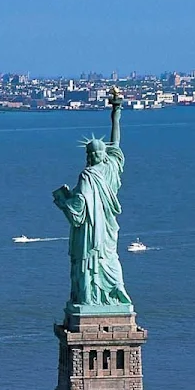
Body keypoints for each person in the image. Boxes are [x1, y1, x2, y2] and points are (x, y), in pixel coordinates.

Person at [52, 87, 132, 308]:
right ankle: (107, 294)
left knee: (92, 261)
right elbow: (116, 144)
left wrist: (62, 201)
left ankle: (92, 297)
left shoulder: (90, 174)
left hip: (92, 231)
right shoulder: (110, 167)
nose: (94, 156)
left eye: (93, 153)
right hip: (103, 228)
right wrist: (116, 111)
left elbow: (78, 211)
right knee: (106, 260)